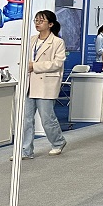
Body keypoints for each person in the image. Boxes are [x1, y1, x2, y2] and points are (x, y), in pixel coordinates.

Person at [16, 10, 68, 159]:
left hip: (46, 83)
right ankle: (26, 150)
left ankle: (58, 142)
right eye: (36, 20)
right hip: (29, 83)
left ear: (50, 24)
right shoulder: (32, 40)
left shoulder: (57, 42)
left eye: (41, 20)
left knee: (47, 118)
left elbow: (57, 63)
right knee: (26, 119)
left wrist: (35, 66)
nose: (37, 23)